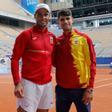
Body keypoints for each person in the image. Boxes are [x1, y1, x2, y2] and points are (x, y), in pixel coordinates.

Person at [11, 3, 56, 112]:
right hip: (29, 83)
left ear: (49, 16)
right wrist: (17, 83)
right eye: (40, 15)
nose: (43, 17)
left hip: (47, 84)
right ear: (35, 16)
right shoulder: (25, 35)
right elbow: (15, 59)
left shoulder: (52, 37)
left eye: (46, 14)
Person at [54, 9, 96, 112]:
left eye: (67, 18)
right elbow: (54, 62)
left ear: (72, 20)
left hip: (81, 90)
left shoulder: (84, 39)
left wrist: (90, 88)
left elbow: (92, 64)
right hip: (62, 90)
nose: (65, 21)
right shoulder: (57, 42)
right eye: (62, 19)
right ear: (58, 22)